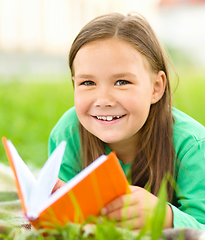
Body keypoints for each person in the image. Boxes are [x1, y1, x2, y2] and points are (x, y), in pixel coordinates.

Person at [48, 12, 205, 230]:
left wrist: (164, 216)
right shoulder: (68, 132)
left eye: (122, 82)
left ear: (156, 87)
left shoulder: (193, 146)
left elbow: (202, 224)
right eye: (88, 83)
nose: (103, 100)